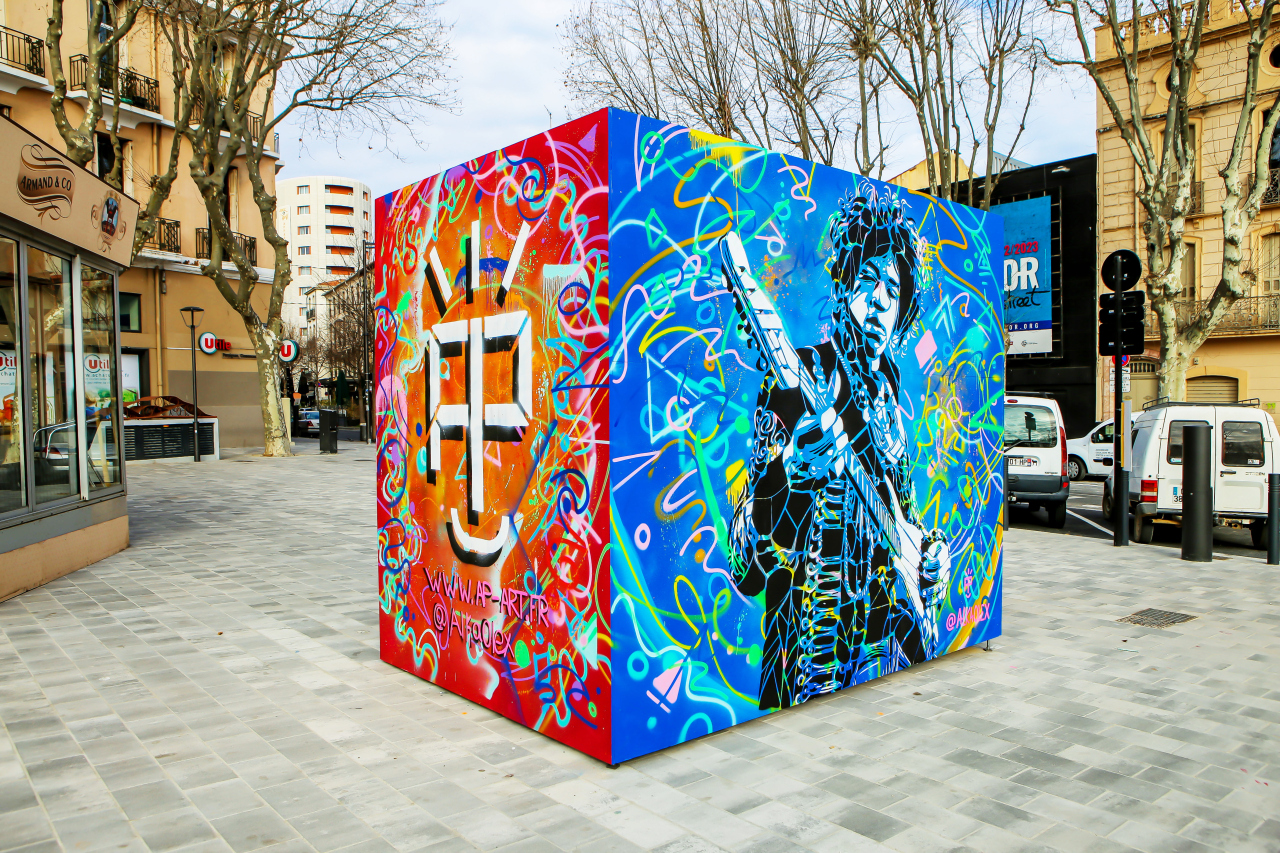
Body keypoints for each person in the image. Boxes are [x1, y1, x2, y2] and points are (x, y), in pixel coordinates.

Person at [726, 191, 951, 710]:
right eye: (868, 279)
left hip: (883, 668)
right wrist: (792, 469)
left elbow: (903, 519)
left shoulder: (891, 405)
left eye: (893, 289)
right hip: (806, 670)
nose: (879, 300)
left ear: (904, 309)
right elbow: (744, 564)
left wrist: (928, 556)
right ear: (845, 283)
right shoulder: (801, 378)